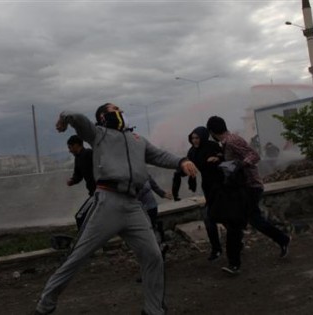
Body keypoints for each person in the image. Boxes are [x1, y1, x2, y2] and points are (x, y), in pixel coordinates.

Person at [33, 102, 197, 315]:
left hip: (133, 204)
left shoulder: (137, 140)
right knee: (78, 256)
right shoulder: (98, 134)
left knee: (153, 255)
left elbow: (159, 156)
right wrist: (65, 117)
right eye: (113, 110)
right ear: (102, 116)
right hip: (107, 202)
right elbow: (79, 119)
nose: (119, 112)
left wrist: (182, 161)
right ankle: (45, 306)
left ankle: (153, 309)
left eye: (120, 109)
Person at [206, 116, 290, 275]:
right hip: (243, 188)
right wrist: (221, 159)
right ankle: (282, 239)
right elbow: (235, 157)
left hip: (250, 187)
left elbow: (254, 155)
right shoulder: (226, 143)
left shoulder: (231, 141)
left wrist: (240, 165)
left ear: (211, 131)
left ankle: (234, 264)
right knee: (253, 220)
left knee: (235, 224)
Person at [172, 126, 224, 261]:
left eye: (197, 138)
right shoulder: (193, 152)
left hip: (221, 186)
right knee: (210, 219)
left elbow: (224, 157)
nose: (194, 140)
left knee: (215, 217)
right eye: (193, 138)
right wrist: (179, 174)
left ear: (203, 137)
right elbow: (188, 167)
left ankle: (230, 244)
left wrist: (217, 159)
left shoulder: (213, 146)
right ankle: (217, 249)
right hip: (208, 186)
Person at [66, 135, 96, 230]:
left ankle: (83, 242)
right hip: (93, 194)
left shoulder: (89, 153)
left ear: (76, 145)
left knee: (80, 217)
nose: (69, 150)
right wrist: (72, 180)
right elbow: (78, 175)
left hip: (99, 194)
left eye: (70, 147)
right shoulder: (78, 158)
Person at [137, 175, 172, 253]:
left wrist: (163, 194)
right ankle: (154, 247)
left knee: (153, 226)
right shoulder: (128, 176)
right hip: (140, 208)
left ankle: (160, 246)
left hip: (151, 206)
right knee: (147, 229)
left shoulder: (144, 172)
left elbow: (153, 185)